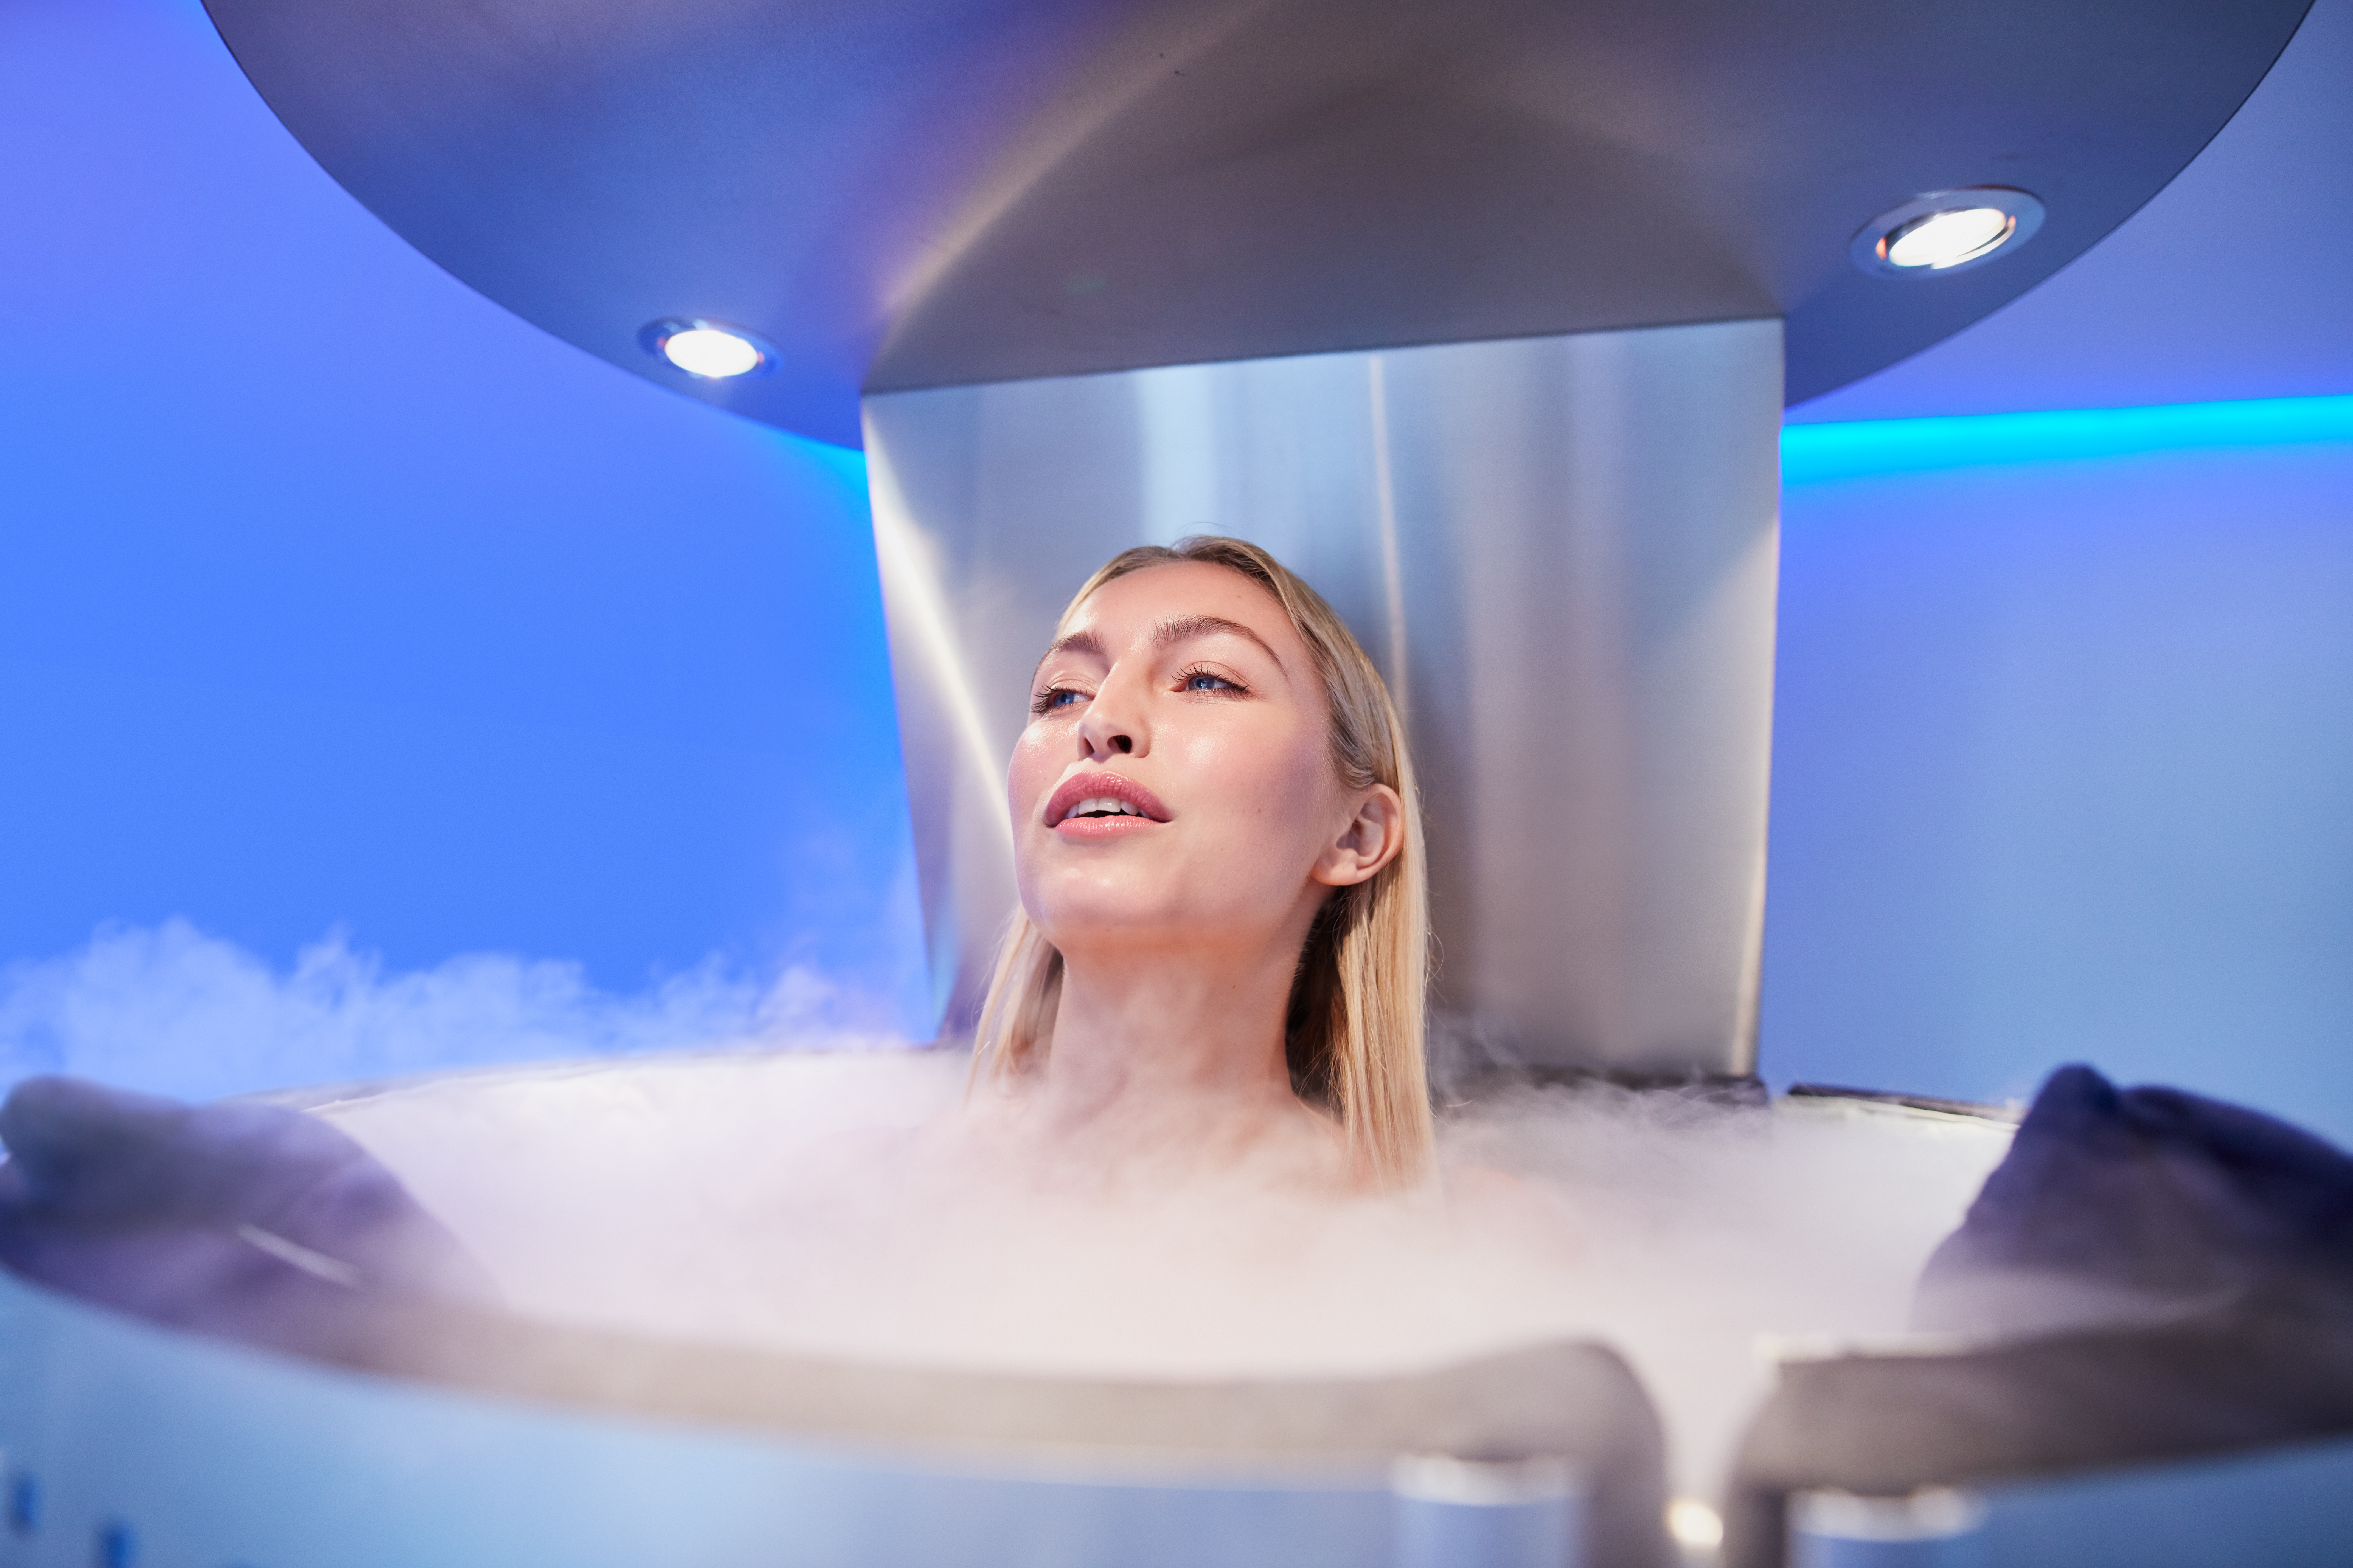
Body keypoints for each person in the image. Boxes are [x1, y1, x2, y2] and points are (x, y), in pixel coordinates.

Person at [954, 534, 1434, 1197]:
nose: (1100, 720)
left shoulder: (1476, 1241)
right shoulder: (852, 1201)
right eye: (1062, 695)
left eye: (1207, 679)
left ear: (1355, 833)